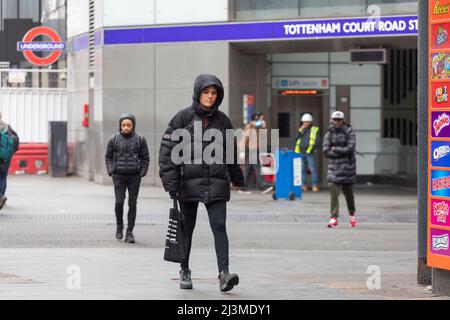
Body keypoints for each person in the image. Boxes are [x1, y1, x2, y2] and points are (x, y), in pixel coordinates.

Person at [159, 74, 244, 293]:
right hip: (187, 184)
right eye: (206, 92)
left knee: (219, 226)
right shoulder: (182, 118)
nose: (210, 96)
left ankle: (224, 274)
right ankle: (185, 269)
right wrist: (171, 183)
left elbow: (231, 153)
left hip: (216, 183)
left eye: (214, 93)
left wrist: (236, 177)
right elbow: (167, 153)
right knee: (187, 228)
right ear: (198, 93)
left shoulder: (223, 121)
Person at [105, 113, 150, 243]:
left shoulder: (140, 139)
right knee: (119, 202)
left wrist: (142, 171)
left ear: (133, 126)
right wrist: (111, 170)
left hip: (134, 176)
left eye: (128, 125)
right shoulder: (113, 139)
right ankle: (119, 226)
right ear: (120, 125)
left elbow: (145, 157)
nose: (126, 127)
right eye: (123, 125)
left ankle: (130, 232)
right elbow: (108, 157)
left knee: (132, 203)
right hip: (118, 175)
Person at [322, 111, 357, 228]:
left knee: (349, 194)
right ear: (332, 120)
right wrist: (341, 152)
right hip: (334, 169)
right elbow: (326, 151)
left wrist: (335, 148)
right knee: (333, 191)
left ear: (343, 120)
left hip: (348, 169)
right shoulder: (328, 134)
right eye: (334, 120)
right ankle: (333, 218)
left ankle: (352, 215)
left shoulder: (349, 132)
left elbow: (350, 148)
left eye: (339, 120)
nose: (336, 122)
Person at [238, 113, 274, 195]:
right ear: (253, 120)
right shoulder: (249, 127)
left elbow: (264, 132)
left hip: (256, 149)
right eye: (257, 120)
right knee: (257, 167)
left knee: (249, 169)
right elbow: (244, 139)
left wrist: (264, 125)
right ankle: (263, 186)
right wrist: (242, 151)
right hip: (251, 150)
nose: (259, 121)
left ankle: (242, 187)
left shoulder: (257, 127)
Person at [294, 113, 321, 193]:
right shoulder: (301, 130)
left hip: (309, 152)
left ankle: (314, 186)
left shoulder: (315, 129)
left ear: (310, 122)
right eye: (304, 122)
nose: (305, 123)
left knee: (312, 169)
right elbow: (296, 139)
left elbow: (318, 141)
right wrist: (300, 131)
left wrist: (312, 148)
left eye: (306, 122)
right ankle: (303, 185)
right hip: (301, 151)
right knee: (302, 169)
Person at [0, 113, 19, 209]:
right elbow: (15, 141)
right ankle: (1, 199)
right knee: (3, 177)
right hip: (6, 157)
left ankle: (0, 198)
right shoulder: (7, 127)